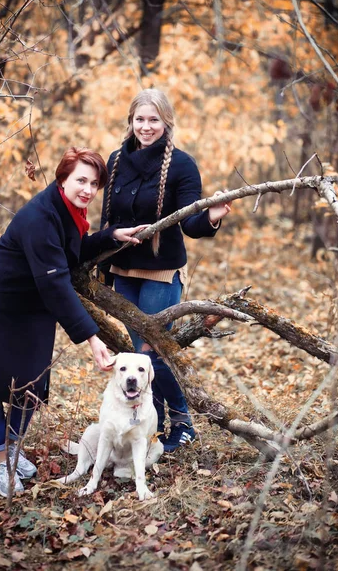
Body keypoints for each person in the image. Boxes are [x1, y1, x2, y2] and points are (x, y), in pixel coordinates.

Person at [0, 147, 146, 497]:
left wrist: (109, 235)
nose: (87, 189)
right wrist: (92, 338)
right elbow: (56, 282)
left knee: (30, 386)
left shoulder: (70, 210)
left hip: (32, 305)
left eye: (94, 183)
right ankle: (0, 460)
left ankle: (10, 449)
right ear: (63, 179)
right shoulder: (41, 216)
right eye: (80, 180)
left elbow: (70, 252)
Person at [100, 89, 231, 453]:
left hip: (161, 273)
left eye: (153, 120)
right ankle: (151, 425)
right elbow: (107, 218)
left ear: (166, 123)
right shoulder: (115, 161)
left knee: (152, 353)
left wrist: (212, 218)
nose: (146, 127)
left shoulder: (182, 165)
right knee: (139, 359)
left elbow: (189, 222)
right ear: (131, 121)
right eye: (140, 119)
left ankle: (183, 423)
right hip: (123, 270)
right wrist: (102, 268)